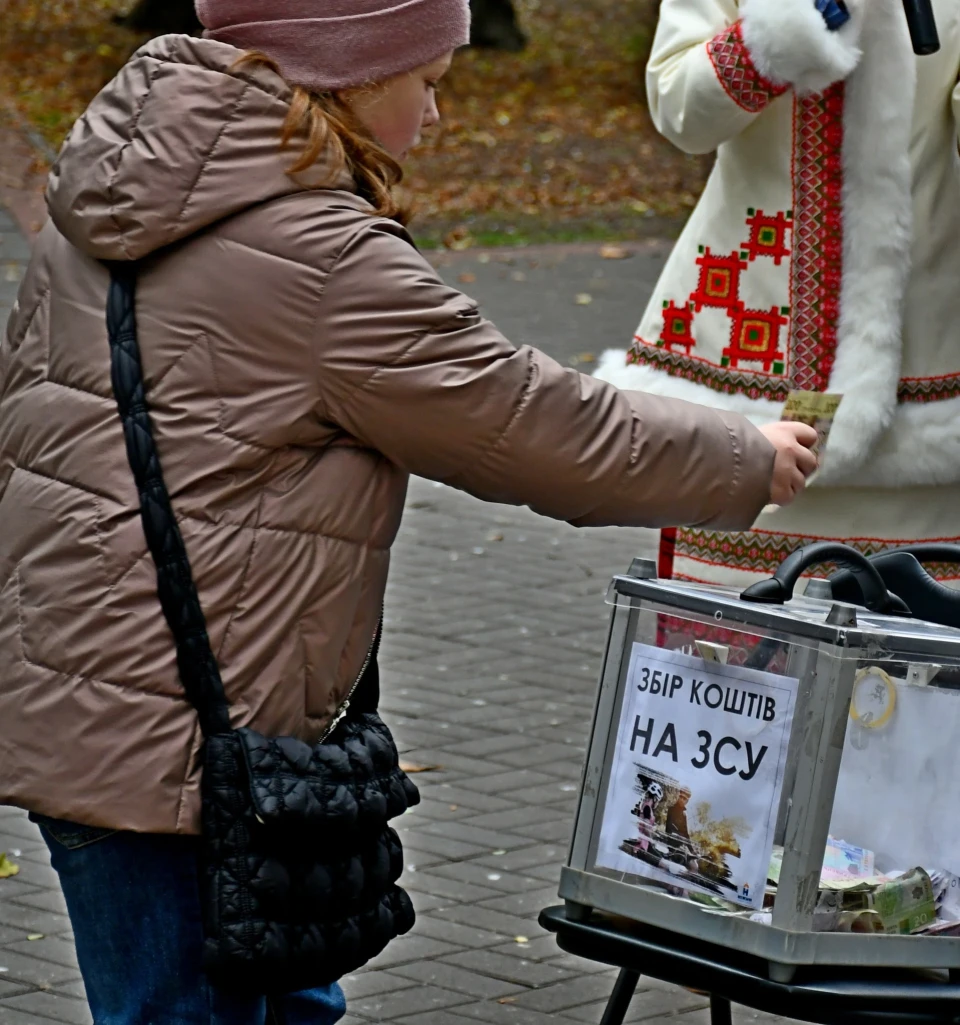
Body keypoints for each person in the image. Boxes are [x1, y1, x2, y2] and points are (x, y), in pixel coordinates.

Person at [0, 1, 818, 1021]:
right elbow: (527, 420)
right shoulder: (321, 255)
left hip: (84, 715)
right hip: (199, 755)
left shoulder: (103, 197)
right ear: (345, 71)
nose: (435, 115)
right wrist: (745, 452)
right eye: (426, 81)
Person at [595, 0, 960, 587]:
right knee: (730, 657)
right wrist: (796, 22)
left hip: (927, 398)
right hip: (748, 366)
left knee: (912, 665)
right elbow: (681, 113)